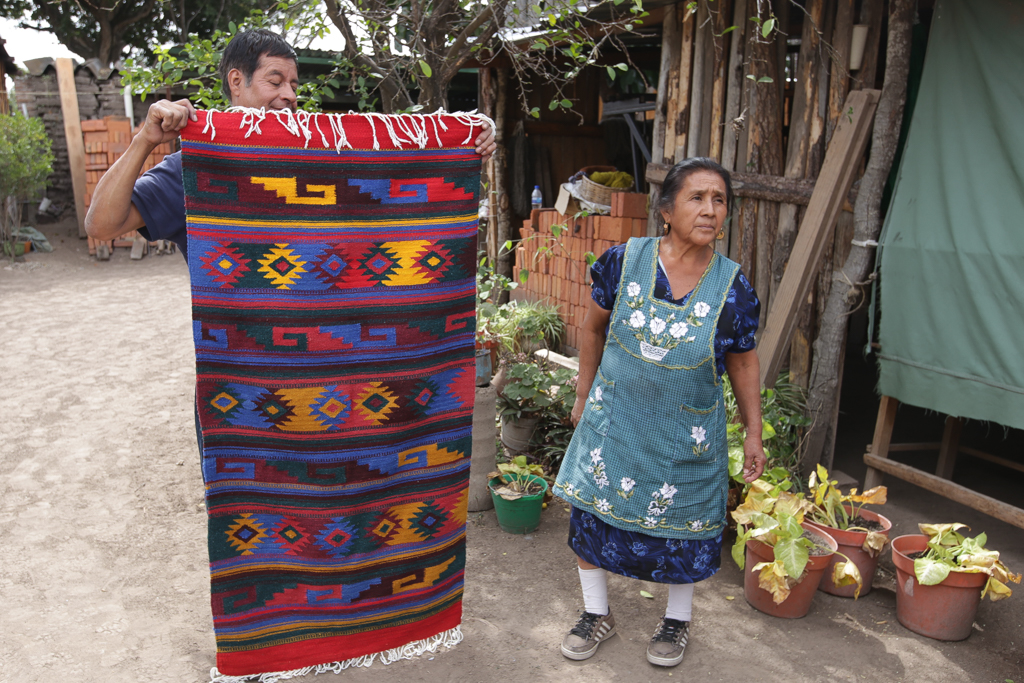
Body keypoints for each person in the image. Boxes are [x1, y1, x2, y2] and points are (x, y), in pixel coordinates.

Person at [84, 28, 496, 454]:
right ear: (236, 82)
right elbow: (100, 224)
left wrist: (466, 142)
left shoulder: (319, 159)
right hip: (250, 400)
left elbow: (396, 170)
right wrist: (145, 140)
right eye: (275, 81)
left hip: (347, 394)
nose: (289, 96)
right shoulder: (195, 168)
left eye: (295, 85)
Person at [552, 157, 766, 668]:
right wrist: (582, 396)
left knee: (685, 525)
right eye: (697, 198)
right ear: (666, 210)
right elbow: (593, 328)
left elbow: (743, 362)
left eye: (719, 200)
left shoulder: (732, 287)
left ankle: (676, 620)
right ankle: (595, 612)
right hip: (615, 425)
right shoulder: (624, 261)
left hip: (684, 437)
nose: (710, 210)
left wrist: (753, 431)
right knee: (591, 520)